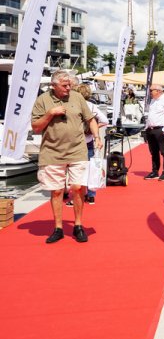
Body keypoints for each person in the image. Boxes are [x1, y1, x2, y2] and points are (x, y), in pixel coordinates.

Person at [31, 70, 102, 243]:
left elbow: (90, 119)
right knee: (56, 191)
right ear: (53, 86)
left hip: (77, 150)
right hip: (52, 151)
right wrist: (50, 113)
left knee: (78, 187)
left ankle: (78, 225)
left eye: (70, 84)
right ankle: (58, 228)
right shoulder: (42, 100)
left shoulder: (77, 97)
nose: (69, 87)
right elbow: (36, 127)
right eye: (64, 85)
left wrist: (97, 137)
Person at [75, 83, 108, 205]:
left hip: (75, 142)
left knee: (76, 170)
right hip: (88, 140)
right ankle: (91, 195)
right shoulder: (92, 106)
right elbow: (105, 121)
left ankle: (77, 196)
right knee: (90, 168)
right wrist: (92, 128)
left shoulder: (73, 105)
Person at [144, 83, 164, 180]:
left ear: (158, 91)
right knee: (153, 152)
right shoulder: (153, 100)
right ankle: (155, 171)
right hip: (151, 129)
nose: (150, 92)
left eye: (151, 90)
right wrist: (146, 128)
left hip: (160, 129)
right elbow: (150, 115)